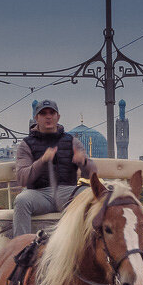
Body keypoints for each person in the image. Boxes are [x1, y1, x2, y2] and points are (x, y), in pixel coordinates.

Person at [12, 99, 97, 237]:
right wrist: (42, 161)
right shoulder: (26, 144)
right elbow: (22, 179)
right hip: (39, 194)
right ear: (36, 118)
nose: (48, 116)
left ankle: (90, 246)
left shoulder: (72, 141)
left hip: (68, 193)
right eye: (43, 113)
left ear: (58, 117)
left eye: (52, 113)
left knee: (92, 195)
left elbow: (92, 174)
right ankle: (23, 248)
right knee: (22, 200)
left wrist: (83, 162)